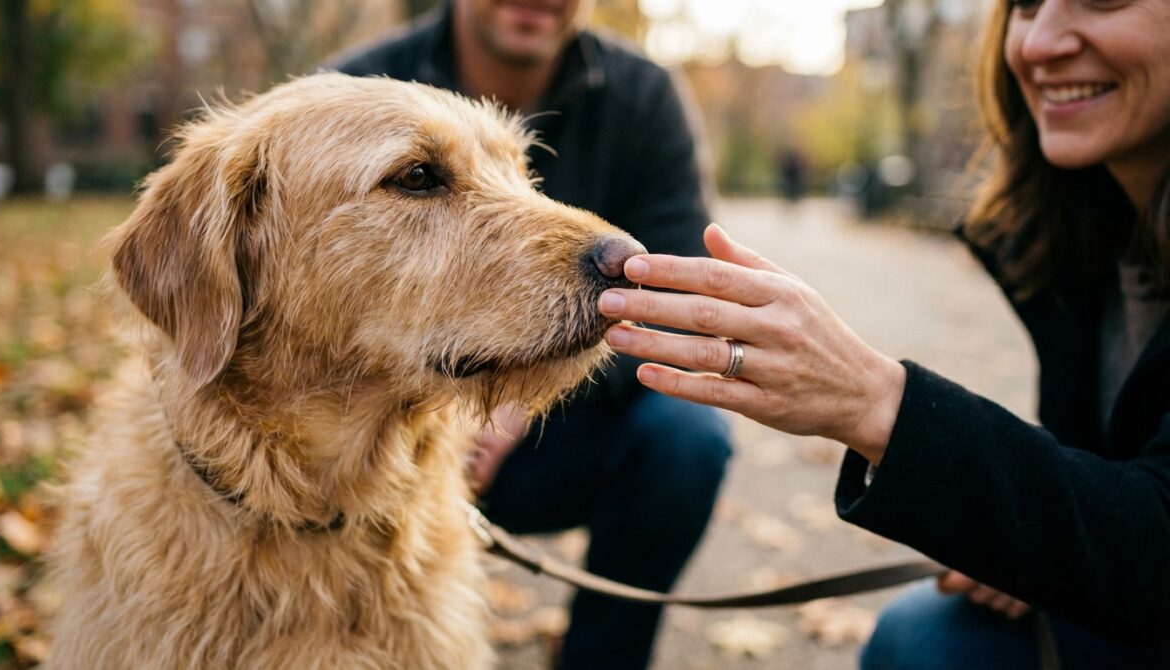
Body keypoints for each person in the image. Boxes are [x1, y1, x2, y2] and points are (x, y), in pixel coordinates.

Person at [595, 0, 1170, 666]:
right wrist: (1025, 544)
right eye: (1025, 5)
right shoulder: (1083, 231)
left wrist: (875, 401)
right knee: (922, 636)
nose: (1039, 43)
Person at [327, 2, 732, 668]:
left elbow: (678, 289)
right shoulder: (351, 95)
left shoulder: (644, 96)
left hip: (554, 431)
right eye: (421, 177)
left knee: (687, 439)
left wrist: (512, 403)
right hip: (381, 437)